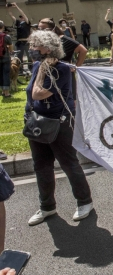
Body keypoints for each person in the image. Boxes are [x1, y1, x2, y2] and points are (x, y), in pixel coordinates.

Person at [25, 30, 93, 226]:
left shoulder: (62, 69)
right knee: (41, 166)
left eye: (35, 46)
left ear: (47, 48)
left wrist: (42, 72)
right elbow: (30, 95)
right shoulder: (38, 64)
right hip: (38, 122)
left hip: (58, 123)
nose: (31, 50)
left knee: (69, 164)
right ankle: (46, 206)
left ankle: (84, 202)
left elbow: (38, 93)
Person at [7, 3, 30, 73]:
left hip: (27, 42)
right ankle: (20, 71)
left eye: (22, 17)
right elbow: (11, 15)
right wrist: (9, 8)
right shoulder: (18, 23)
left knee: (30, 57)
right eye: (20, 17)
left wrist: (16, 6)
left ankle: (31, 69)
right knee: (19, 57)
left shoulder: (27, 23)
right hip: (20, 43)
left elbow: (23, 13)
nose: (21, 18)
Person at [0, 21, 14, 98]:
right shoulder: (6, 36)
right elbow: (11, 48)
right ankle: (6, 93)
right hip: (5, 57)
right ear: (2, 27)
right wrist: (9, 49)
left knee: (0, 74)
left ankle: (2, 90)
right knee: (6, 74)